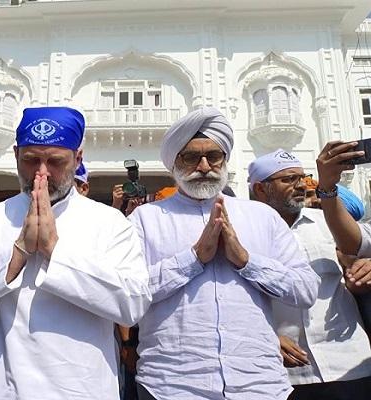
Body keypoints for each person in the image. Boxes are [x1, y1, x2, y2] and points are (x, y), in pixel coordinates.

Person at [0, 106, 151, 400]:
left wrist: (54, 252)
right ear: (16, 155)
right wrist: (16, 255)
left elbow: (133, 305)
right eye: (31, 159)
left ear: (78, 158)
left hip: (81, 389)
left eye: (55, 161)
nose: (42, 172)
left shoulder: (109, 223)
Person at [128, 107, 319, 400]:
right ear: (173, 163)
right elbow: (128, 295)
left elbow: (305, 291)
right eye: (191, 157)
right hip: (171, 386)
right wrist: (192, 260)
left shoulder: (262, 217)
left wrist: (246, 261)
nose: (204, 166)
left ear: (225, 160)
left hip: (260, 385)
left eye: (213, 156)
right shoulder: (145, 219)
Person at [249, 149, 371, 400]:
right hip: (283, 371)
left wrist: (364, 272)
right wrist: (263, 337)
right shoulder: (242, 233)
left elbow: (357, 256)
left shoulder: (330, 221)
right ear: (260, 189)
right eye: (288, 180)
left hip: (347, 362)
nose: (300, 185)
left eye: (302, 177)